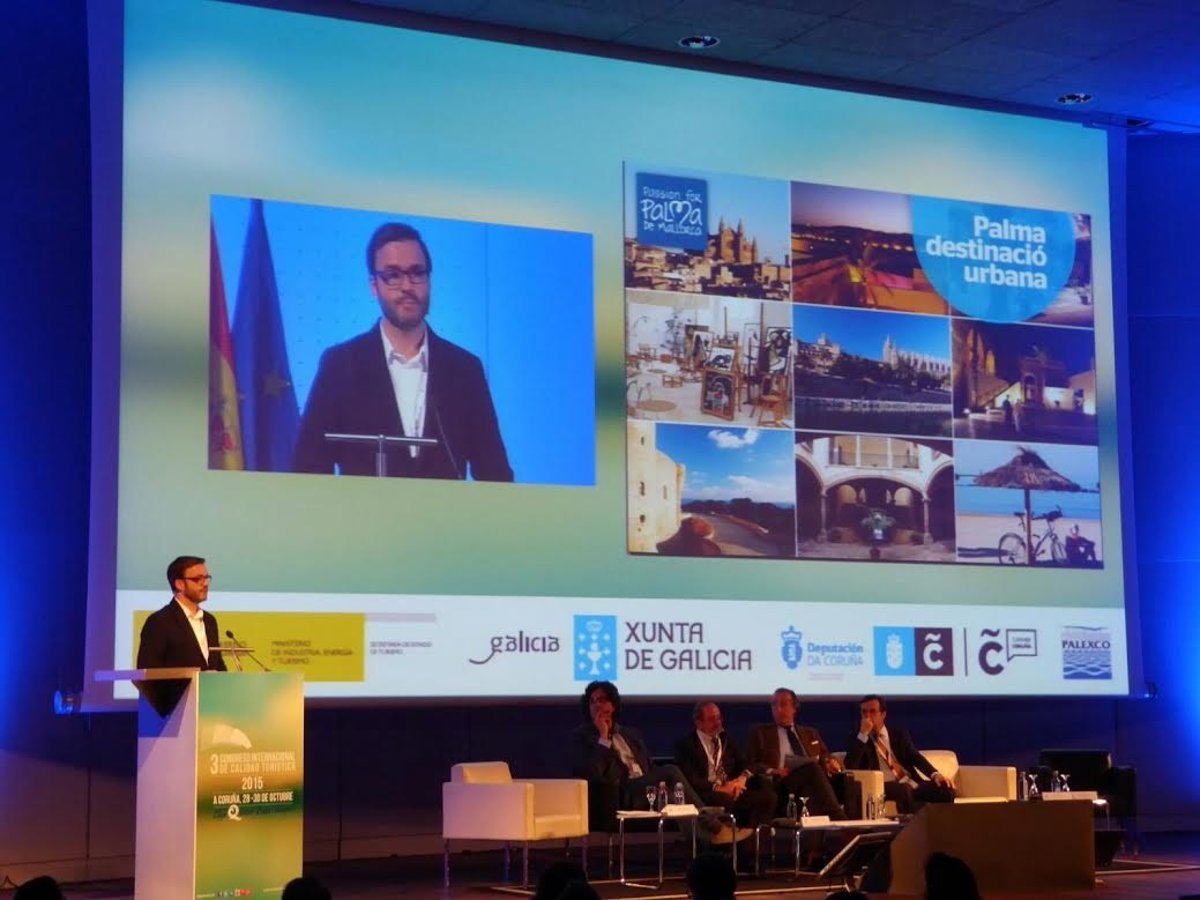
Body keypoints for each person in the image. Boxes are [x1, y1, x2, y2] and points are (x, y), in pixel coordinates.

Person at [292, 222, 513, 481]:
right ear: (374, 286)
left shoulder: (464, 370)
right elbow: (308, 469)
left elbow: (495, 474)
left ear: (429, 280)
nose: (407, 286)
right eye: (393, 275)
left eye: (417, 273)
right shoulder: (340, 365)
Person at [569, 680, 709, 832]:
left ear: (613, 705)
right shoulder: (582, 737)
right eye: (592, 701)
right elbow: (593, 772)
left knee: (675, 801)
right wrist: (603, 737)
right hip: (620, 791)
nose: (597, 705)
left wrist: (660, 785)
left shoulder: (630, 734)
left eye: (602, 700)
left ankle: (705, 841)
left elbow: (649, 767)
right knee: (670, 770)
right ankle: (712, 822)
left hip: (645, 787)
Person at [674, 701, 776, 838]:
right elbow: (690, 779)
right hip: (706, 792)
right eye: (712, 719)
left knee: (767, 795)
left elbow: (745, 763)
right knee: (724, 799)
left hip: (732, 788)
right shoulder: (686, 745)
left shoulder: (726, 739)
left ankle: (754, 838)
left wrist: (741, 780)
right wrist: (720, 788)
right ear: (698, 723)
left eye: (719, 718)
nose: (718, 723)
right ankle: (731, 839)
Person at [745, 688, 847, 819]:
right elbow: (751, 763)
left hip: (811, 780)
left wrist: (830, 761)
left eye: (783, 704)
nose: (778, 709)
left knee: (826, 775)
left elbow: (825, 755)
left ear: (794, 707)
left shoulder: (810, 733)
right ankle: (839, 818)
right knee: (812, 770)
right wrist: (773, 771)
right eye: (774, 705)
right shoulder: (761, 734)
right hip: (781, 782)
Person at [843, 695, 954, 814]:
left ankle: (942, 824)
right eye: (864, 712)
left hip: (910, 782)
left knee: (945, 789)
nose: (867, 716)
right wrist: (863, 734)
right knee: (904, 789)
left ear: (883, 714)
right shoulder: (858, 739)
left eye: (872, 711)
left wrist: (935, 774)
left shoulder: (899, 735)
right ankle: (914, 824)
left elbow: (915, 757)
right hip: (882, 786)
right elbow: (850, 765)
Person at [137, 556, 226, 672]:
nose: (205, 584)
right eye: (198, 579)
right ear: (179, 584)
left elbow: (218, 665)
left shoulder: (210, 621)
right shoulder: (159, 622)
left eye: (206, 578)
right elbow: (148, 672)